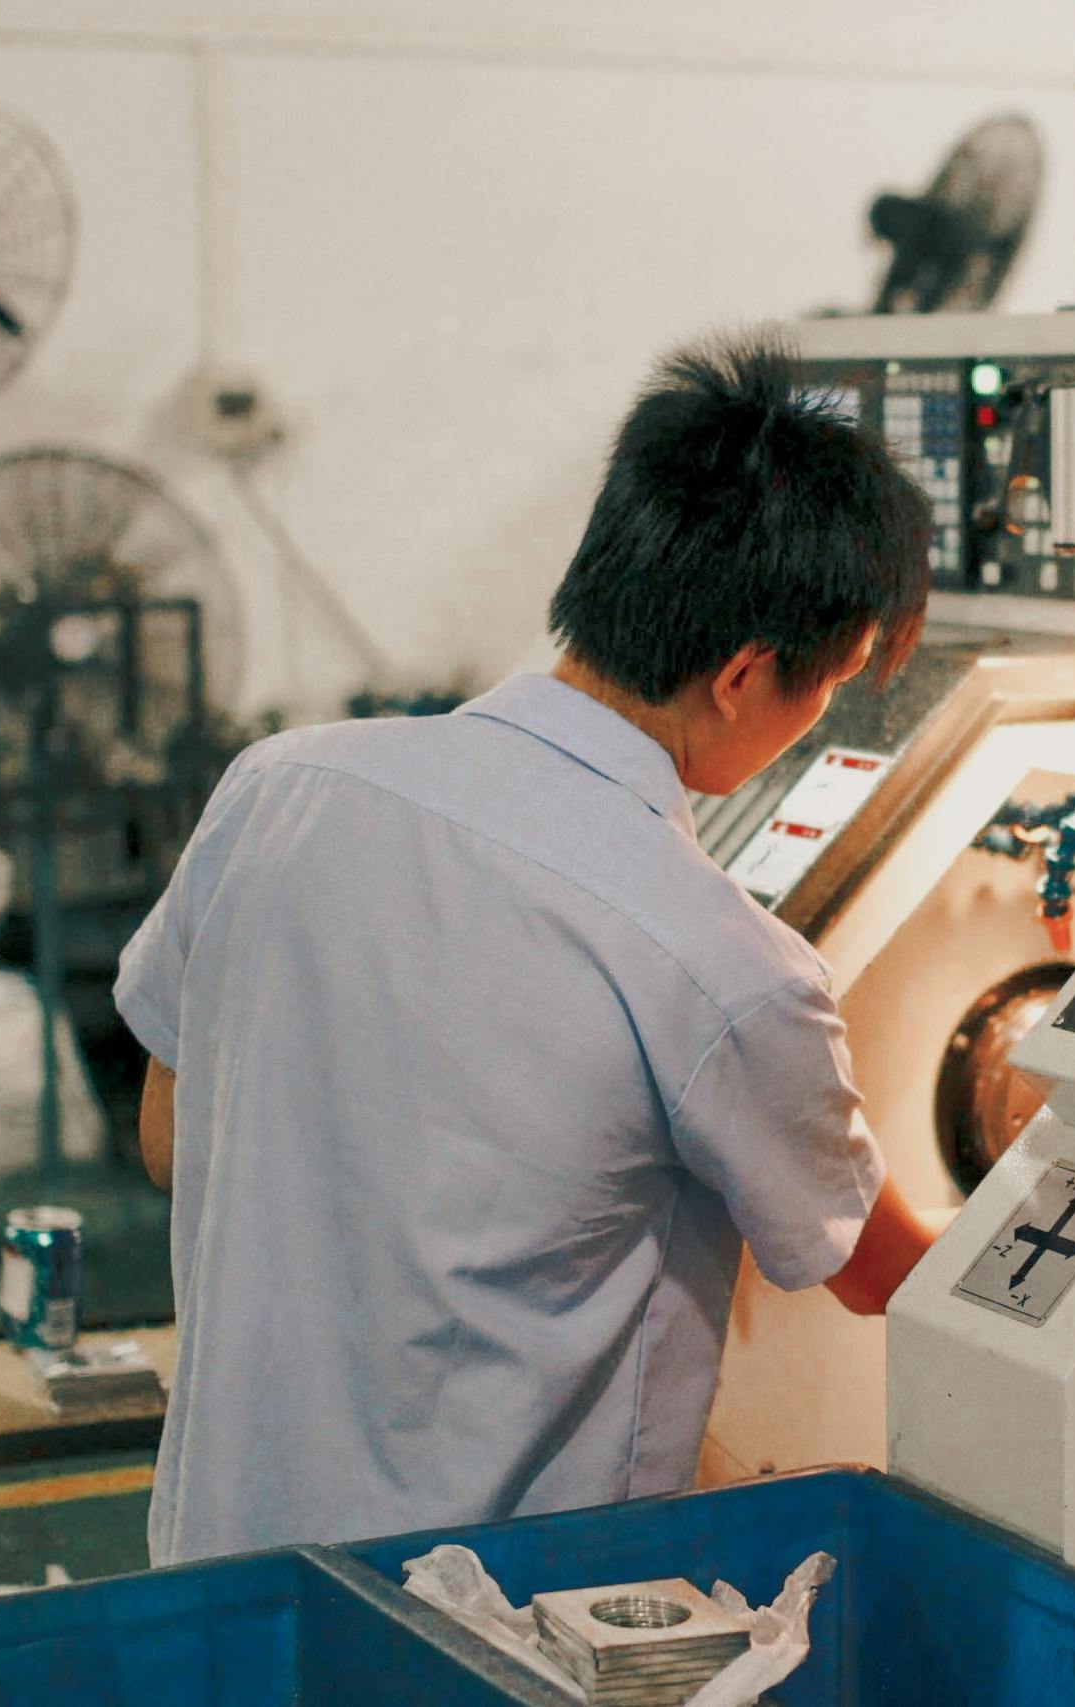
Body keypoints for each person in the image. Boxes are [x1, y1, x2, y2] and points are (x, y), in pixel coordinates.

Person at [115, 329, 939, 1565]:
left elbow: (171, 1141)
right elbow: (890, 1280)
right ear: (743, 675)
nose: (822, 716)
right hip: (492, 1626)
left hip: (224, 1578)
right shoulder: (719, 963)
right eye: (832, 684)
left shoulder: (277, 788)